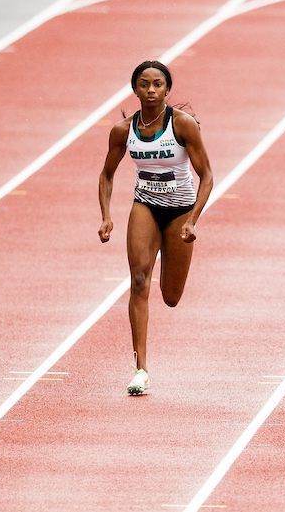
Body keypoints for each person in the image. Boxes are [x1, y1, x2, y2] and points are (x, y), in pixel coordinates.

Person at [99, 60, 213, 396]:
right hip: (145, 206)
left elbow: (207, 174)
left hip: (180, 211)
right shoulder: (122, 130)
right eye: (144, 84)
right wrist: (106, 214)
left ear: (167, 89)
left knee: (171, 297)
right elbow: (106, 174)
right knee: (138, 281)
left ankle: (173, 256)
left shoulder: (183, 125)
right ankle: (140, 369)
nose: (151, 90)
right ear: (135, 89)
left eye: (158, 84)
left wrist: (193, 219)